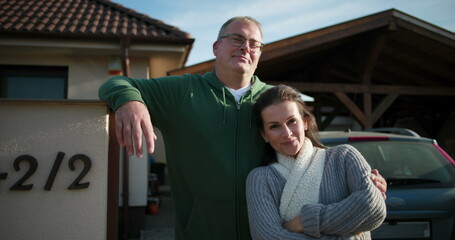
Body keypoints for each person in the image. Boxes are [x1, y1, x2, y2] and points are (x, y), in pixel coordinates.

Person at [98, 16, 387, 239]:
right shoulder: (183, 91)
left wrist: (361, 184)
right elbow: (115, 82)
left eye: (254, 43)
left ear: (260, 53)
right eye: (236, 39)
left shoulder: (271, 100)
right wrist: (131, 102)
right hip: (200, 234)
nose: (245, 47)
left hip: (271, 231)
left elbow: (306, 154)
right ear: (216, 47)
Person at [246, 85, 386, 239]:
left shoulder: (344, 157)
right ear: (264, 135)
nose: (287, 133)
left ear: (305, 122)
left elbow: (374, 208)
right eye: (274, 126)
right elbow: (267, 237)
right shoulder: (260, 179)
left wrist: (304, 221)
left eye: (292, 121)